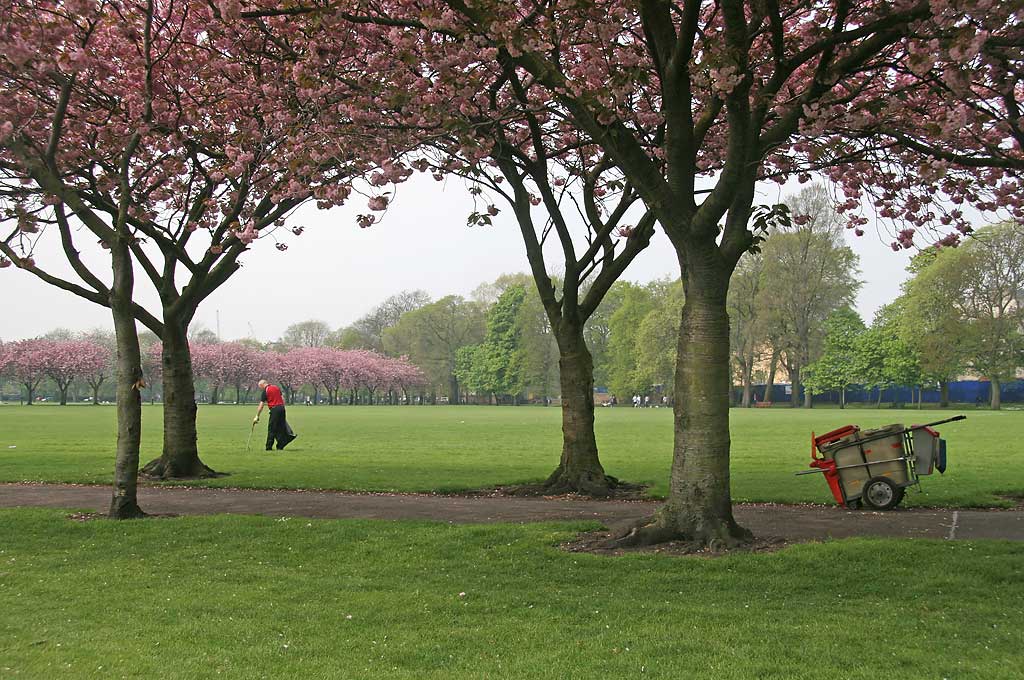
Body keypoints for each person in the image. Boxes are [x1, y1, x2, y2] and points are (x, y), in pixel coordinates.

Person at [254, 379, 296, 451]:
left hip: (275, 409)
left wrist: (257, 416)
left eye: (260, 387)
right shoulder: (276, 387)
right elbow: (282, 399)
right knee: (281, 428)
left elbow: (261, 404)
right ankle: (280, 446)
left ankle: (268, 447)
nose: (260, 389)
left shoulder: (266, 390)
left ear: (262, 385)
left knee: (271, 428)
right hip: (282, 408)